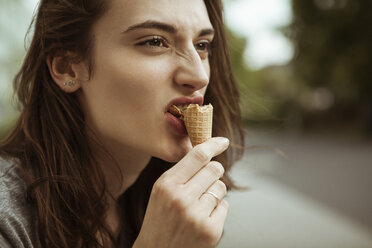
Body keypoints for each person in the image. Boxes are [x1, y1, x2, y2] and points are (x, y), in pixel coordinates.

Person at [0, 0, 244, 247]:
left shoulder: (167, 209)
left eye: (202, 45)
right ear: (67, 68)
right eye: (155, 41)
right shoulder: (6, 219)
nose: (199, 76)